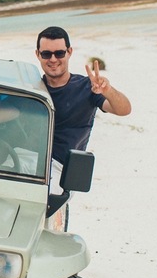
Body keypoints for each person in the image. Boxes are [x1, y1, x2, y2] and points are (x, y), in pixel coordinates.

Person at [35, 25, 131, 188]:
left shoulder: (87, 87)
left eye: (59, 53)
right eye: (46, 54)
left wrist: (107, 90)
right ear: (38, 54)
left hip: (62, 168)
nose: (53, 59)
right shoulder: (33, 88)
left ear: (69, 52)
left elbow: (124, 109)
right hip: (27, 160)